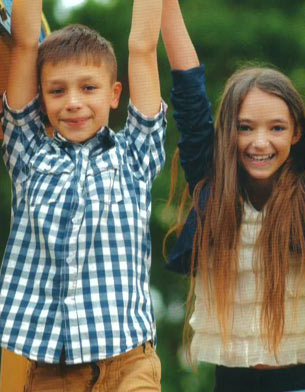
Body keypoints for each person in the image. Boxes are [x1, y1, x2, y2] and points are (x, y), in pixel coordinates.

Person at [160, 0, 305, 390]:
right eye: (245, 127)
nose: (259, 142)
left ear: (297, 133)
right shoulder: (212, 185)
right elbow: (188, 91)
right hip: (233, 378)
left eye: (277, 128)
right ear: (226, 132)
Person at [0, 0, 165, 389]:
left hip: (129, 360)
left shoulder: (135, 156)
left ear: (114, 93)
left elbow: (142, 47)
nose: (73, 102)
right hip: (53, 369)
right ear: (42, 99)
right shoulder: (28, 155)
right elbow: (25, 44)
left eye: (88, 88)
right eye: (57, 91)